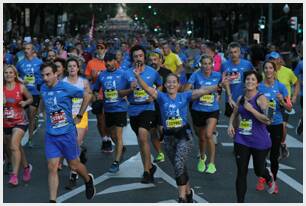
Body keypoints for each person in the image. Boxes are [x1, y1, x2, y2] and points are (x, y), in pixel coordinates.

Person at [134, 68, 227, 202]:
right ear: (165, 85)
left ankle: (181, 197)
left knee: (178, 163)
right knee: (179, 167)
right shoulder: (161, 97)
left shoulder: (185, 96)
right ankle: (188, 193)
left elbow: (203, 91)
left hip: (184, 135)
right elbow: (147, 88)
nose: (171, 85)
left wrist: (218, 85)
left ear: (178, 85)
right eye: (168, 83)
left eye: (174, 82)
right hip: (168, 138)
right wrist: (138, 77)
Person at [40, 62, 95, 202]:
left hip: (67, 134)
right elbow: (44, 103)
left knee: (74, 165)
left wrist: (80, 115)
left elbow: (87, 96)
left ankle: (88, 180)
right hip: (51, 136)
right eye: (43, 75)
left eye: (48, 75)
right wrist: (43, 115)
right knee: (52, 167)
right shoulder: (43, 88)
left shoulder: (65, 87)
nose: (45, 78)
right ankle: (52, 201)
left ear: (55, 74)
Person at [227, 70, 276, 203]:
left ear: (257, 83)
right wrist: (231, 124)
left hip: (259, 140)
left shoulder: (262, 99)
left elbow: (268, 120)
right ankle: (240, 202)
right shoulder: (240, 98)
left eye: (253, 80)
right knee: (241, 172)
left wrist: (251, 109)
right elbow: (235, 113)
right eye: (248, 79)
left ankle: (268, 177)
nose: (250, 82)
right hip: (242, 139)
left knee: (258, 170)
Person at [119, 45, 162, 183]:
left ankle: (146, 172)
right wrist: (129, 90)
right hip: (133, 109)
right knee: (141, 140)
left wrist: (154, 95)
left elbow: (160, 85)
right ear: (132, 58)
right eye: (136, 56)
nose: (138, 58)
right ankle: (149, 167)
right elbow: (120, 93)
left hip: (148, 108)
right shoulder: (127, 73)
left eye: (141, 56)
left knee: (144, 135)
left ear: (145, 57)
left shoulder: (152, 72)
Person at [257, 60, 292, 194]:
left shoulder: (281, 87)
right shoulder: (259, 87)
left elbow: (289, 108)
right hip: (262, 124)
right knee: (261, 153)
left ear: (274, 70)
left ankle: (273, 182)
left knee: (274, 155)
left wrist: (282, 101)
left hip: (276, 123)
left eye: (270, 68)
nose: (268, 70)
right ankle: (262, 177)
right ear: (263, 71)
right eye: (265, 68)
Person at [185, 55, 223, 174]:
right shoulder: (195, 75)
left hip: (212, 110)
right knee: (201, 138)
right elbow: (186, 90)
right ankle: (202, 157)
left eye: (209, 64)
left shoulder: (217, 75)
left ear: (212, 64)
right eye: (204, 64)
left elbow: (221, 87)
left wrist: (220, 95)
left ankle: (211, 163)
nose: (207, 66)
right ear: (201, 65)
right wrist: (198, 91)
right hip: (197, 110)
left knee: (208, 134)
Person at [93, 52, 129, 173]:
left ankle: (116, 162)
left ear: (115, 61)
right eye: (106, 61)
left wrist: (126, 94)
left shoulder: (123, 74)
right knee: (111, 134)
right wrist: (96, 95)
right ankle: (121, 147)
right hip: (107, 109)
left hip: (120, 109)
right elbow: (95, 89)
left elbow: (133, 87)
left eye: (110, 61)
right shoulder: (102, 75)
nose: (107, 63)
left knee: (118, 136)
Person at [63, 58, 92, 189]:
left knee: (74, 143)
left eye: (74, 66)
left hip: (81, 116)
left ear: (78, 68)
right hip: (67, 117)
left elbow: (90, 96)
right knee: (70, 145)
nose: (72, 68)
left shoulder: (83, 82)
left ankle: (73, 175)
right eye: (69, 66)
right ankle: (81, 151)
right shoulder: (62, 83)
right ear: (66, 68)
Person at [4, 65, 33, 186]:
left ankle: (14, 175)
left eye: (11, 72)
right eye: (6, 72)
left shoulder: (20, 87)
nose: (8, 74)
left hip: (20, 121)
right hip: (6, 122)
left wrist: (25, 102)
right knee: (17, 147)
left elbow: (31, 98)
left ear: (15, 74)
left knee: (13, 145)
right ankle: (26, 167)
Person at [266, 51, 299, 159]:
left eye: (275, 59)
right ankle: (272, 147)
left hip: (284, 101)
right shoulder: (268, 71)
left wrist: (294, 97)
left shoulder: (288, 71)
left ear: (279, 60)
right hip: (271, 103)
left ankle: (283, 144)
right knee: (269, 126)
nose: (273, 61)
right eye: (271, 59)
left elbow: (296, 83)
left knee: (283, 126)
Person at [85, 41, 111, 152]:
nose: (100, 50)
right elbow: (87, 80)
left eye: (102, 48)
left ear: (106, 49)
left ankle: (109, 138)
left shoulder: (110, 62)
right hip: (97, 95)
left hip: (110, 96)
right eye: (98, 48)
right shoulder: (91, 63)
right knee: (100, 120)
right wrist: (92, 76)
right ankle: (105, 140)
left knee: (109, 119)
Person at [16, 42, 43, 147]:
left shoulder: (39, 62)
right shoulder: (20, 63)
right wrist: (21, 80)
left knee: (31, 115)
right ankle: (22, 134)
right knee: (23, 116)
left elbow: (43, 75)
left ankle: (30, 138)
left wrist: (37, 81)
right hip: (23, 92)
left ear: (33, 51)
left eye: (28, 48)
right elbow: (15, 75)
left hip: (34, 92)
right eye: (25, 49)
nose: (26, 50)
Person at [221, 42, 254, 118]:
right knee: (233, 125)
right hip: (230, 99)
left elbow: (255, 78)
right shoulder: (224, 65)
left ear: (239, 52)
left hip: (245, 98)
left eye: (235, 52)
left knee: (245, 124)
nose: (233, 54)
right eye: (231, 52)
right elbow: (222, 82)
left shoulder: (247, 64)